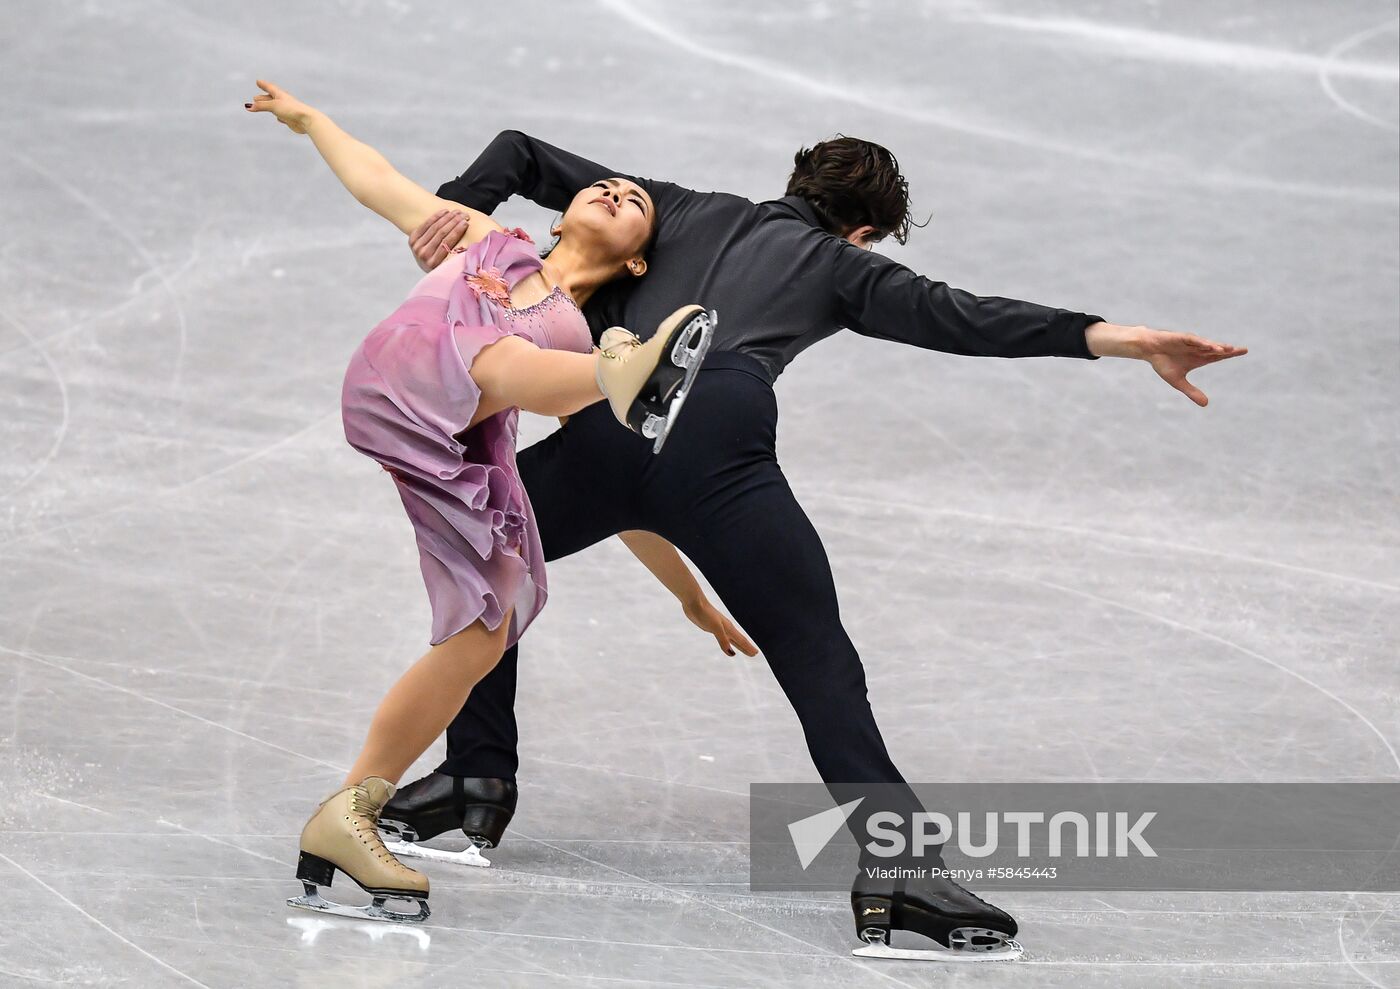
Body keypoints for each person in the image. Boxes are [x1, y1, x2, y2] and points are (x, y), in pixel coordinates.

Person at [381, 130, 1247, 957]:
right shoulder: (840, 266)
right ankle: (903, 874)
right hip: (718, 436)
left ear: (799, 184)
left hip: (607, 424)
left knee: (482, 569)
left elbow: (521, 152)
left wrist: (452, 218)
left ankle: (475, 779)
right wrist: (1123, 339)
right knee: (816, 660)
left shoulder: (679, 207)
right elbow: (965, 316)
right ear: (863, 232)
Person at [244, 82, 746, 924]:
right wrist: (312, 121)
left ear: (637, 264)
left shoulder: (579, 336)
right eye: (605, 185)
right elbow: (380, 183)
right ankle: (619, 383)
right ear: (557, 216)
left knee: (486, 626)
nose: (616, 191)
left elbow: (622, 496)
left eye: (634, 205)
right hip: (397, 380)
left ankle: (349, 813)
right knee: (554, 365)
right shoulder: (489, 241)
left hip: (450, 442)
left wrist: (691, 594)